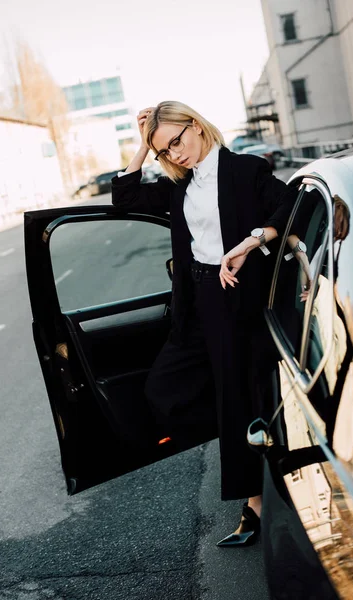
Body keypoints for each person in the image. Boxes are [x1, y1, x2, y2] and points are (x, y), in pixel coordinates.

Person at [111, 101, 297, 546]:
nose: (175, 155)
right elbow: (125, 197)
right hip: (197, 300)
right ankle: (257, 433)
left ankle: (252, 503)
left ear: (196, 126)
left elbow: (290, 204)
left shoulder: (244, 170)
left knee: (234, 396)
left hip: (236, 293)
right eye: (164, 151)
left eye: (176, 141)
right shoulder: (181, 185)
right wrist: (143, 148)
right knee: (164, 389)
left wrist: (252, 241)